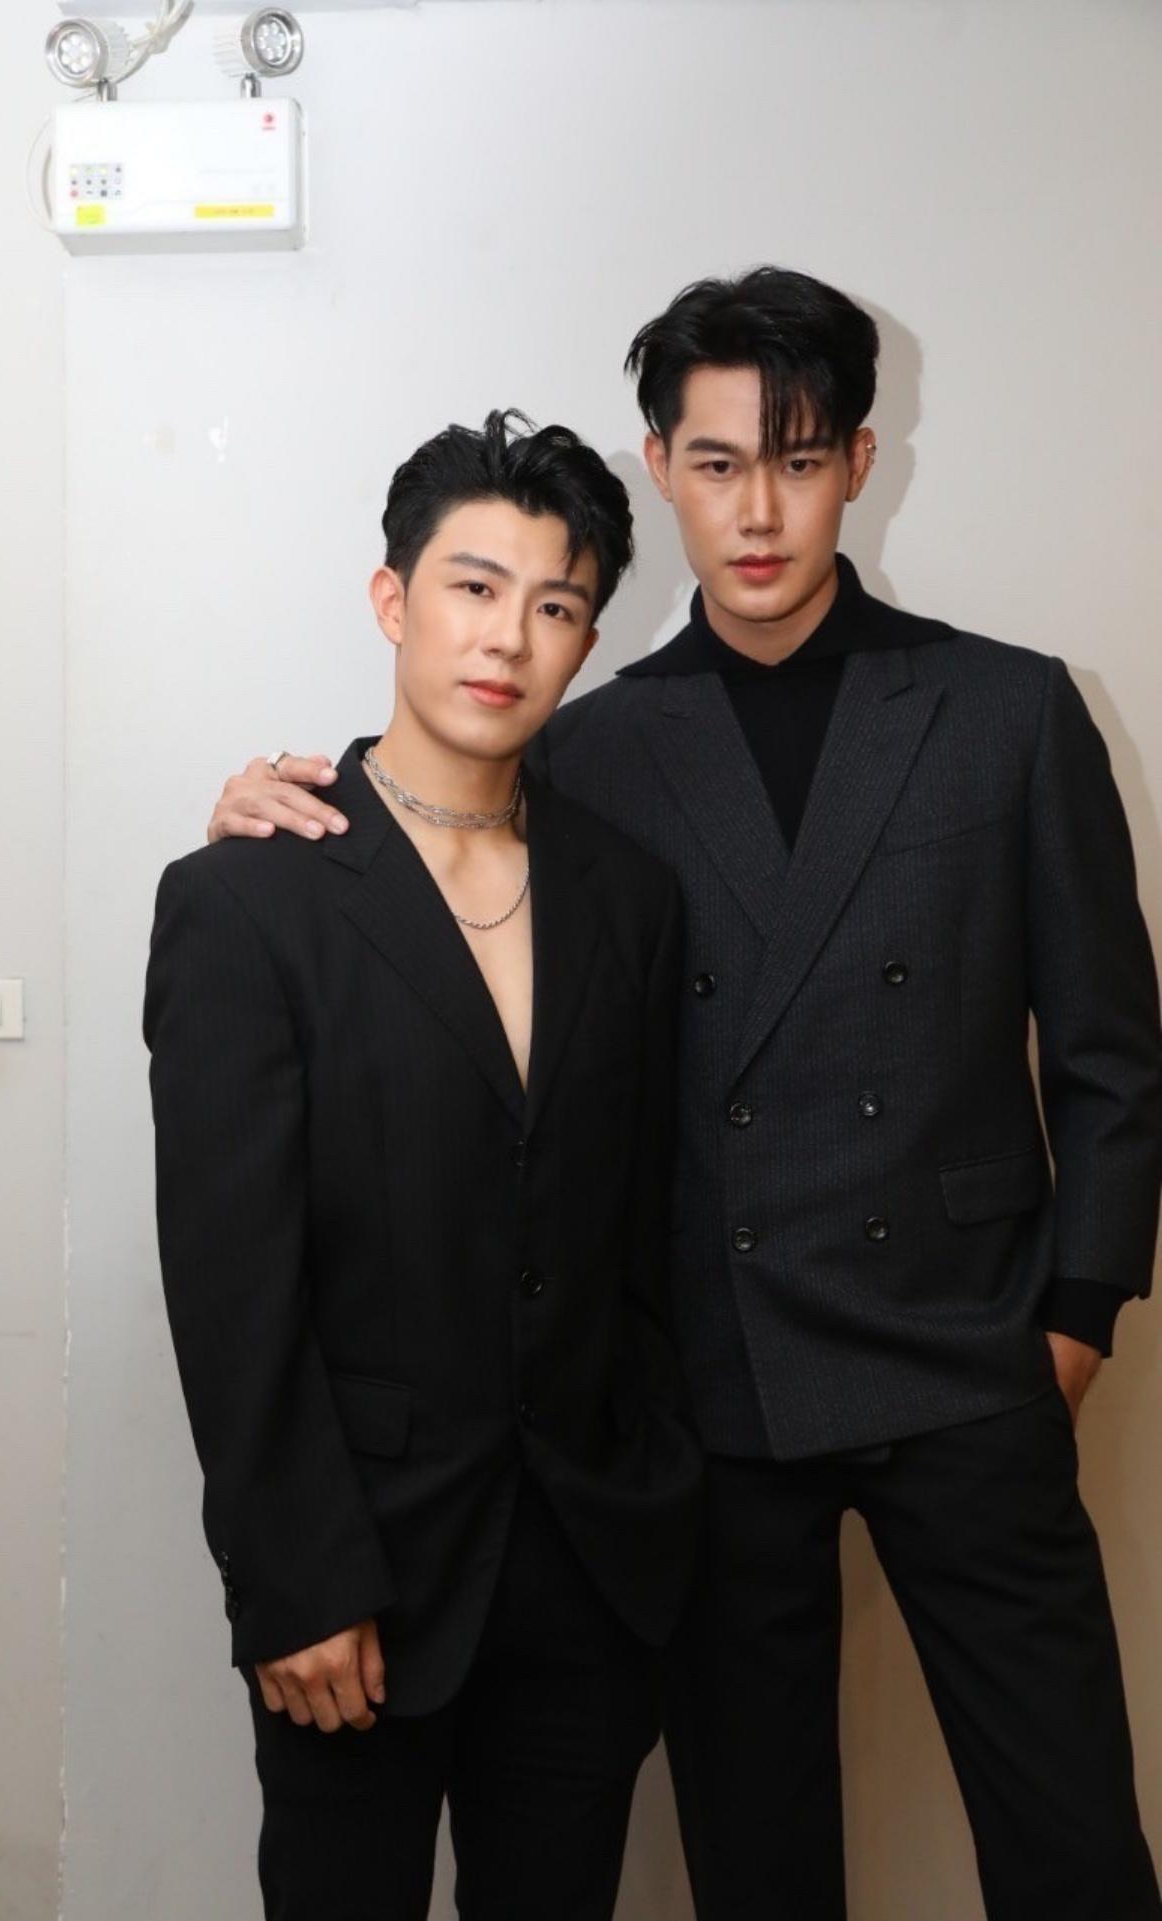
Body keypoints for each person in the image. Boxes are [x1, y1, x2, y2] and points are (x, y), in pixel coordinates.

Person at [207, 270, 1162, 1921]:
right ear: (661, 468)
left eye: (797, 459)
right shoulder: (587, 744)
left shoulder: (1010, 708)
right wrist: (268, 803)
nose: (758, 510)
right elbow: (431, 868)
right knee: (759, 1860)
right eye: (717, 464)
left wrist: (1074, 1320)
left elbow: (1110, 1053)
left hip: (970, 1354)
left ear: (860, 462)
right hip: (716, 1387)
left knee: (1075, 1846)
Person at [144, 409, 704, 1921]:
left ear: (589, 641)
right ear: (392, 600)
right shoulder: (247, 899)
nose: (508, 637)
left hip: (590, 1571)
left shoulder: (630, 900)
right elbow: (231, 1282)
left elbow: (645, 1227)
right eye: (473, 586)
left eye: (557, 604)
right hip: (357, 1579)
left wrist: (654, 1494)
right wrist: (294, 1577)